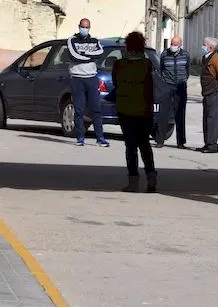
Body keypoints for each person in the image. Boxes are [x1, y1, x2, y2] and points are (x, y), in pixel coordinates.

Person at [112, 32, 157, 192]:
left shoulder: (118, 65)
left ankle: (133, 181)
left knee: (130, 146)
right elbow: (151, 87)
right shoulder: (147, 64)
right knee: (144, 144)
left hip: (125, 110)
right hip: (144, 110)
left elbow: (116, 84)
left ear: (127, 46)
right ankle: (151, 179)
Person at [68, 17, 109, 147]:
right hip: (77, 78)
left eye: (87, 27)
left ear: (89, 28)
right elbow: (74, 56)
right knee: (79, 110)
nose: (84, 29)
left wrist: (84, 54)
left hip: (91, 78)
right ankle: (80, 137)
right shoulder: (71, 40)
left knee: (96, 109)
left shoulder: (95, 40)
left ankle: (100, 137)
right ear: (78, 26)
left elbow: (101, 53)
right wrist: (90, 55)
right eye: (82, 27)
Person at [157, 35, 189, 149]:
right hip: (167, 87)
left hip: (180, 87)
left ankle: (181, 142)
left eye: (175, 44)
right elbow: (161, 69)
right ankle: (160, 140)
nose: (173, 46)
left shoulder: (185, 55)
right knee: (163, 114)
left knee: (180, 114)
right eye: (172, 43)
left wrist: (182, 81)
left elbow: (187, 70)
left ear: (180, 44)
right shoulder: (164, 54)